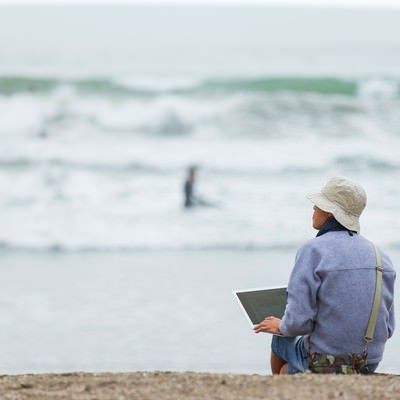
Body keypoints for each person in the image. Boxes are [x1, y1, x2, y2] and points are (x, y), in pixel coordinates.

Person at [254, 176, 396, 374]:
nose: (313, 208)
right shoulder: (381, 256)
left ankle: (283, 385)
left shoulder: (313, 250)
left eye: (318, 205)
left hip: (326, 360)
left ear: (331, 213)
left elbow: (297, 324)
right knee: (290, 363)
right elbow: (388, 328)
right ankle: (290, 375)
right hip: (368, 361)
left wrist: (281, 325)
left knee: (280, 338)